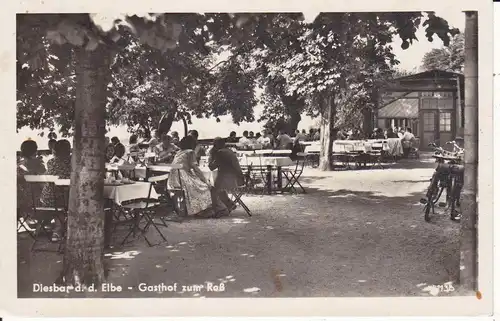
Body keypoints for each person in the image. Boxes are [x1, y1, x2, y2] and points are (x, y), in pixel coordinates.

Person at [167, 136, 214, 217]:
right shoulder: (190, 152)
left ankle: (195, 209)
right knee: (204, 186)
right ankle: (199, 210)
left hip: (172, 178)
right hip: (181, 177)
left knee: (198, 183)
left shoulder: (179, 152)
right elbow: (195, 168)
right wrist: (205, 180)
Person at [40, 140, 71, 242]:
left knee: (60, 197)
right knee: (66, 198)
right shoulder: (72, 163)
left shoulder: (50, 162)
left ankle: (48, 228)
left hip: (46, 199)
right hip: (61, 200)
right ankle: (58, 231)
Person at [208, 137, 245, 217]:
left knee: (212, 189)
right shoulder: (229, 151)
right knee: (217, 187)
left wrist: (211, 155)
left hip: (230, 180)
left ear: (216, 145)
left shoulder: (220, 153)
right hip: (237, 178)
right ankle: (229, 204)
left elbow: (211, 167)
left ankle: (220, 209)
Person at [17, 140, 46, 223]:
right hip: (37, 202)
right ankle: (42, 225)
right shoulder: (39, 164)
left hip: (21, 203)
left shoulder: (19, 165)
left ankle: (40, 226)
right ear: (35, 150)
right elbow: (45, 180)